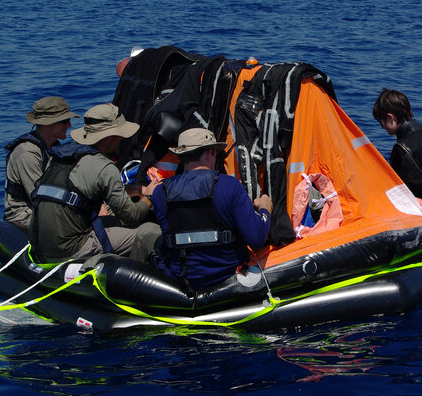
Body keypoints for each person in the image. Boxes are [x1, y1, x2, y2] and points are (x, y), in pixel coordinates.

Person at [29, 103, 161, 263]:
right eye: (120, 135)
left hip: (41, 244)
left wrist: (132, 190)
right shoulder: (104, 167)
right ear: (109, 137)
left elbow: (81, 190)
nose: (121, 140)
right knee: (151, 231)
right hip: (69, 249)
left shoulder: (61, 156)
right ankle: (131, 272)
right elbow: (132, 215)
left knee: (113, 221)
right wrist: (149, 197)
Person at [151, 128, 273, 290]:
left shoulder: (160, 192)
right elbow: (256, 239)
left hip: (181, 278)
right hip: (227, 277)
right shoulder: (230, 186)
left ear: (181, 157)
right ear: (209, 153)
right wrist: (265, 210)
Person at [4, 96, 79, 230]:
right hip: (24, 216)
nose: (69, 125)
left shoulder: (52, 147)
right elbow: (39, 198)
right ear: (47, 124)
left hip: (48, 208)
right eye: (64, 121)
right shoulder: (27, 153)